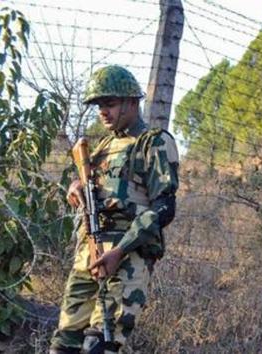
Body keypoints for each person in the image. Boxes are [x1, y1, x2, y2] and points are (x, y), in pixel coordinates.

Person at [49, 65, 179, 353]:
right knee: (64, 343)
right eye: (99, 106)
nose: (102, 112)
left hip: (125, 255)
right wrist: (75, 186)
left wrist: (119, 250)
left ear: (131, 103)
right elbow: (90, 179)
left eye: (109, 104)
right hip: (90, 253)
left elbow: (165, 207)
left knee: (101, 344)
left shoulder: (153, 141)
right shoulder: (106, 144)